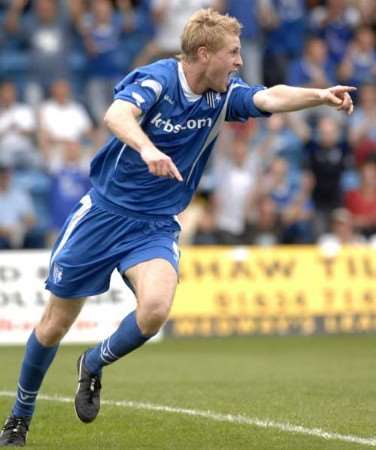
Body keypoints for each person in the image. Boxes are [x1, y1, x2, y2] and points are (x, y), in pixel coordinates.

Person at [0, 7, 355, 447]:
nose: (240, 62)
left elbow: (268, 97)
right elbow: (116, 116)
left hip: (154, 226)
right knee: (54, 325)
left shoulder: (223, 95)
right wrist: (148, 148)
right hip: (103, 216)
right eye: (233, 53)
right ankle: (20, 416)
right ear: (204, 54)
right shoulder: (159, 79)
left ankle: (92, 363)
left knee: (154, 311)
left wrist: (320, 95)